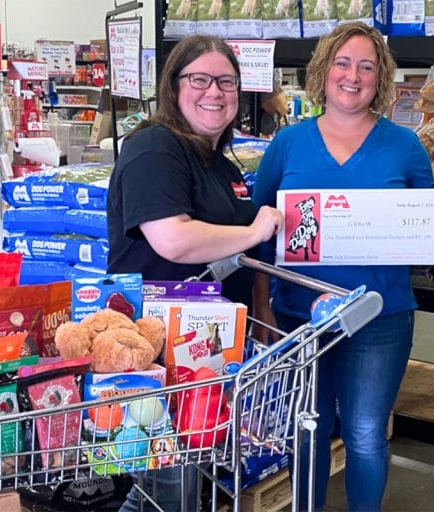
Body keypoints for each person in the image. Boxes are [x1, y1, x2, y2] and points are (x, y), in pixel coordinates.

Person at [252, 22, 434, 511]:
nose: (353, 76)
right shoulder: (288, 144)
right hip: (299, 319)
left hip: (380, 317)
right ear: (323, 71)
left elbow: (425, 237)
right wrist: (263, 307)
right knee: (305, 430)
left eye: (367, 67)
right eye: (343, 63)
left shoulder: (404, 146)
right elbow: (259, 232)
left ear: (381, 78)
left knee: (367, 433)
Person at [106, 34, 283, 511]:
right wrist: (255, 230)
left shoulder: (221, 164)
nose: (214, 92)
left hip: (202, 350)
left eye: (226, 81)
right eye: (199, 79)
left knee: (184, 479)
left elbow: (244, 256)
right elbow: (173, 238)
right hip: (155, 351)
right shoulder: (153, 147)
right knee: (160, 486)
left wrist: (262, 314)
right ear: (173, 86)